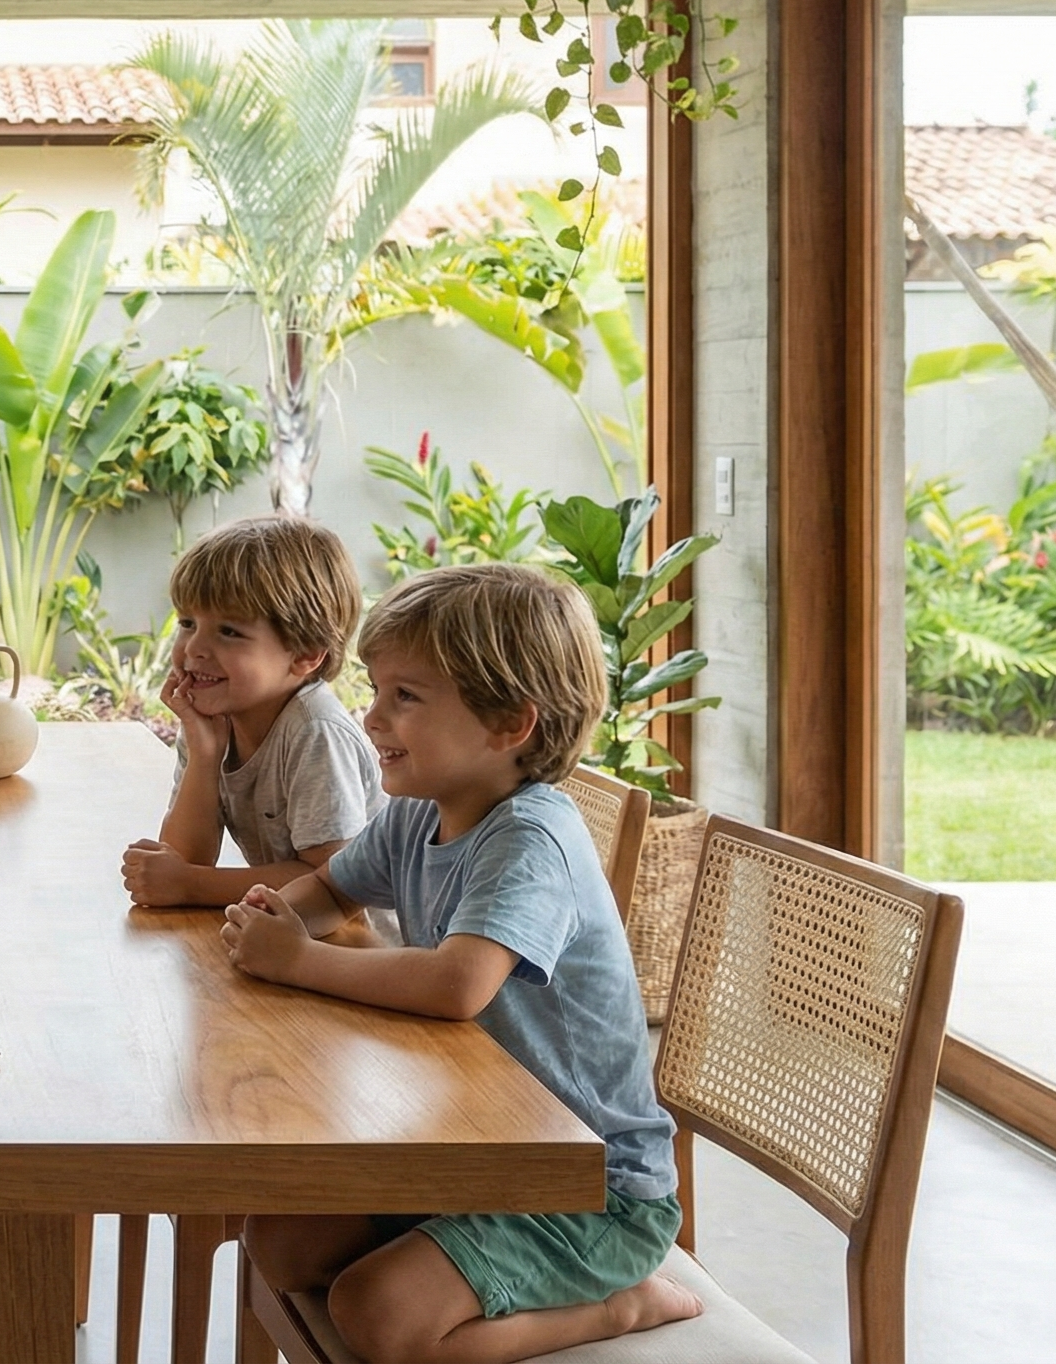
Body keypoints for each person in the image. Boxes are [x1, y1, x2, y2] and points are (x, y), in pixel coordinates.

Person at [217, 563, 697, 1363]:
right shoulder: (418, 814)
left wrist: (295, 963)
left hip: (590, 1191)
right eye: (375, 690)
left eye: (405, 696)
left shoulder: (529, 839)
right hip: (473, 1150)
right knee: (281, 1241)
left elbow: (456, 985)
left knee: (376, 1315)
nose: (371, 718)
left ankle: (618, 1308)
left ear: (509, 723)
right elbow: (331, 891)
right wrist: (269, 922)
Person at [120, 516, 384, 914]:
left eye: (229, 631)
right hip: (290, 932)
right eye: (188, 623)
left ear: (305, 654)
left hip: (359, 948)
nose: (194, 649)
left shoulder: (314, 731)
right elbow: (184, 858)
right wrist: (205, 757)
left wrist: (190, 885)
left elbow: (333, 883)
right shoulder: (214, 718)